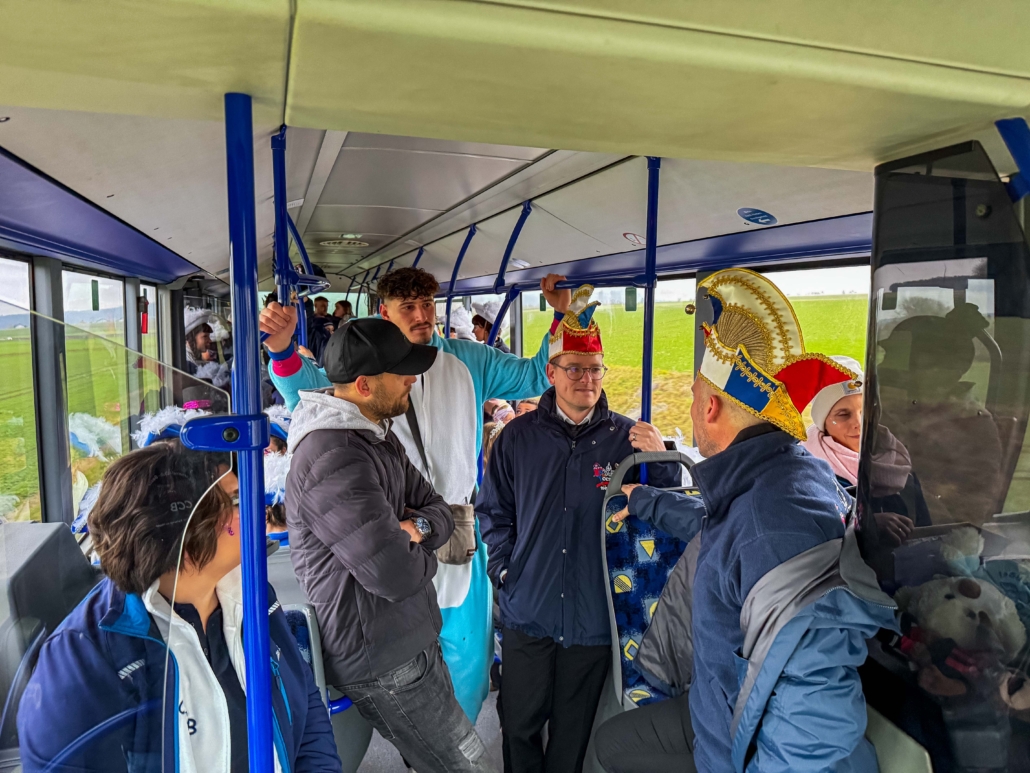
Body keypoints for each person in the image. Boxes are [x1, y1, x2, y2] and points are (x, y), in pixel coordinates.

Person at [593, 268, 897, 773]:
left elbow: (811, 722)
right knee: (612, 745)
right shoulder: (777, 477)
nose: (691, 409)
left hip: (739, 749)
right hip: (718, 712)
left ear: (710, 407)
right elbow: (719, 530)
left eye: (693, 397)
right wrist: (647, 500)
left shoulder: (777, 526)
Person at [259, 267, 567, 723]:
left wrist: (561, 317)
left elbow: (537, 375)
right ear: (384, 313)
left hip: (458, 525)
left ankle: (458, 734)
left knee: (467, 656)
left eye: (427, 305)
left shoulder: (470, 360)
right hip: (392, 531)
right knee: (407, 652)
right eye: (408, 307)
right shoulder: (367, 367)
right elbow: (307, 389)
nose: (422, 316)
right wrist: (283, 349)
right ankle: (426, 743)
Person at [18, 439, 341, 773]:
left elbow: (305, 704)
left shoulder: (253, 595)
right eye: (236, 500)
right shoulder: (81, 662)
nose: (259, 508)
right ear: (184, 536)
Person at [477, 285, 679, 773]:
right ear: (551, 373)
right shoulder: (517, 438)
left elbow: (670, 512)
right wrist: (505, 572)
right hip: (528, 609)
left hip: (594, 615)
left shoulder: (628, 439)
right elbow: (493, 513)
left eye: (595, 369)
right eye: (574, 369)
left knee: (572, 734)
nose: (586, 379)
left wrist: (661, 458)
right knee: (519, 725)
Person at [286, 317, 494, 773]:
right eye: (402, 373)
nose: (412, 381)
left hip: (406, 635)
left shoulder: (375, 434)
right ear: (364, 385)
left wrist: (412, 530)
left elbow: (439, 511)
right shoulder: (334, 457)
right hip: (382, 655)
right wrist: (425, 545)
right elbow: (395, 575)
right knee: (468, 765)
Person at [803, 354, 928, 544]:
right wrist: (864, 524)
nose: (859, 423)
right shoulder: (807, 474)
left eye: (866, 411)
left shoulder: (899, 461)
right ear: (823, 423)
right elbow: (810, 539)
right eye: (843, 414)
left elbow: (926, 528)